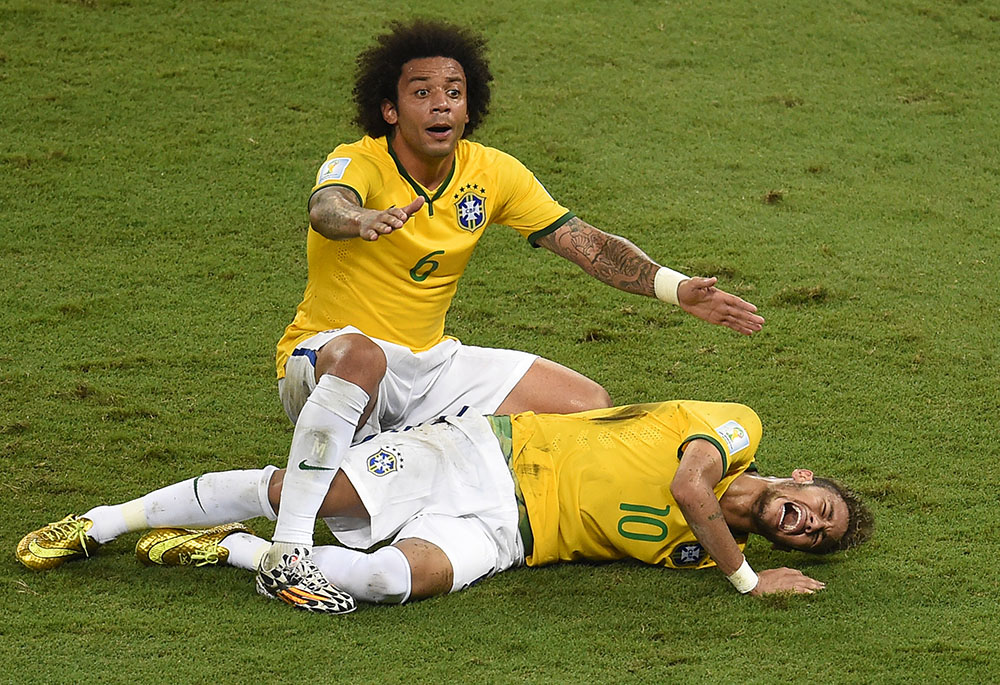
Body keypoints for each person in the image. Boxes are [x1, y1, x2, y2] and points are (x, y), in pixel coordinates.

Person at [266, 18, 766, 605]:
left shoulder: (491, 173)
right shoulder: (360, 162)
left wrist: (674, 288)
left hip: (429, 362)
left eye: (453, 92)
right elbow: (327, 205)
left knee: (587, 406)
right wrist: (361, 221)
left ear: (469, 106)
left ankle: (467, 493)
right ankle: (289, 549)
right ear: (390, 109)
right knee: (362, 356)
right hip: (328, 359)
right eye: (421, 91)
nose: (440, 105)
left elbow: (586, 242)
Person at [17, 400, 872, 613]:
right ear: (797, 476)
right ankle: (105, 520)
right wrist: (751, 582)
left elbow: (698, 528)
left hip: (508, 532)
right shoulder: (735, 431)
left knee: (394, 582)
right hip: (482, 452)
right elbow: (693, 490)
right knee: (310, 491)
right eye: (816, 504)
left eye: (817, 533)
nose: (807, 520)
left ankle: (222, 548)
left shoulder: (700, 551)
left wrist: (739, 564)